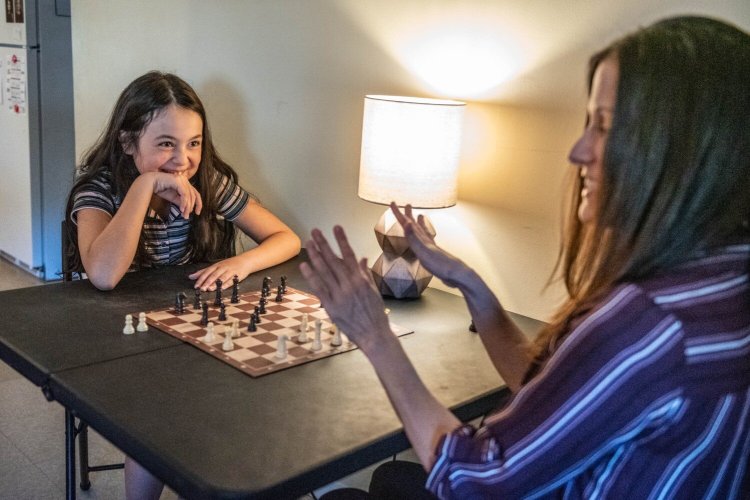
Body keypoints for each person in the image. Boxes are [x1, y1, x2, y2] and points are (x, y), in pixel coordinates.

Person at [301, 16, 749, 499]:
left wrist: (375, 336)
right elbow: (555, 396)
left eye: (603, 126)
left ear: (675, 150)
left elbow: (474, 480)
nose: (578, 152)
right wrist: (476, 290)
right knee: (391, 479)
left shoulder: (649, 326)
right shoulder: (726, 279)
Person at [64, 71, 301, 499]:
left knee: (244, 384)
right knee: (158, 408)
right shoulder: (97, 192)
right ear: (127, 141)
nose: (183, 159)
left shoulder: (206, 184)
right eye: (166, 143)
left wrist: (242, 261)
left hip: (180, 326)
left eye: (193, 143)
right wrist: (144, 185)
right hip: (112, 338)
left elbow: (287, 239)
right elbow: (103, 274)